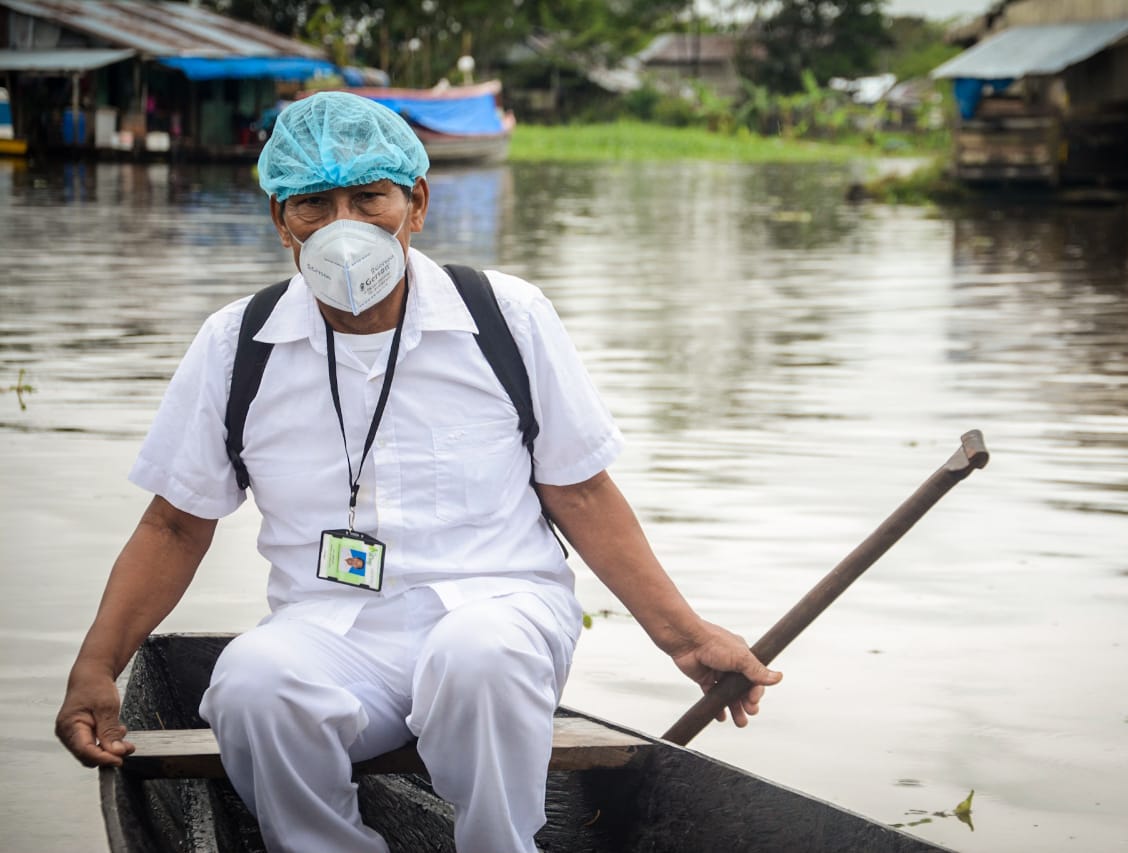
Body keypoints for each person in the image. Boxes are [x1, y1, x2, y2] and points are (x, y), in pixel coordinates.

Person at [54, 91, 781, 853]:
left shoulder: (506, 317)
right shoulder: (239, 343)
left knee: (476, 656)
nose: (344, 228)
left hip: (500, 608)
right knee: (248, 683)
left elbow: (581, 489)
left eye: (369, 198)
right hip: (332, 629)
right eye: (313, 205)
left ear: (416, 204)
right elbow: (175, 521)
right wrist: (98, 666)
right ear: (281, 221)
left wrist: (687, 639)